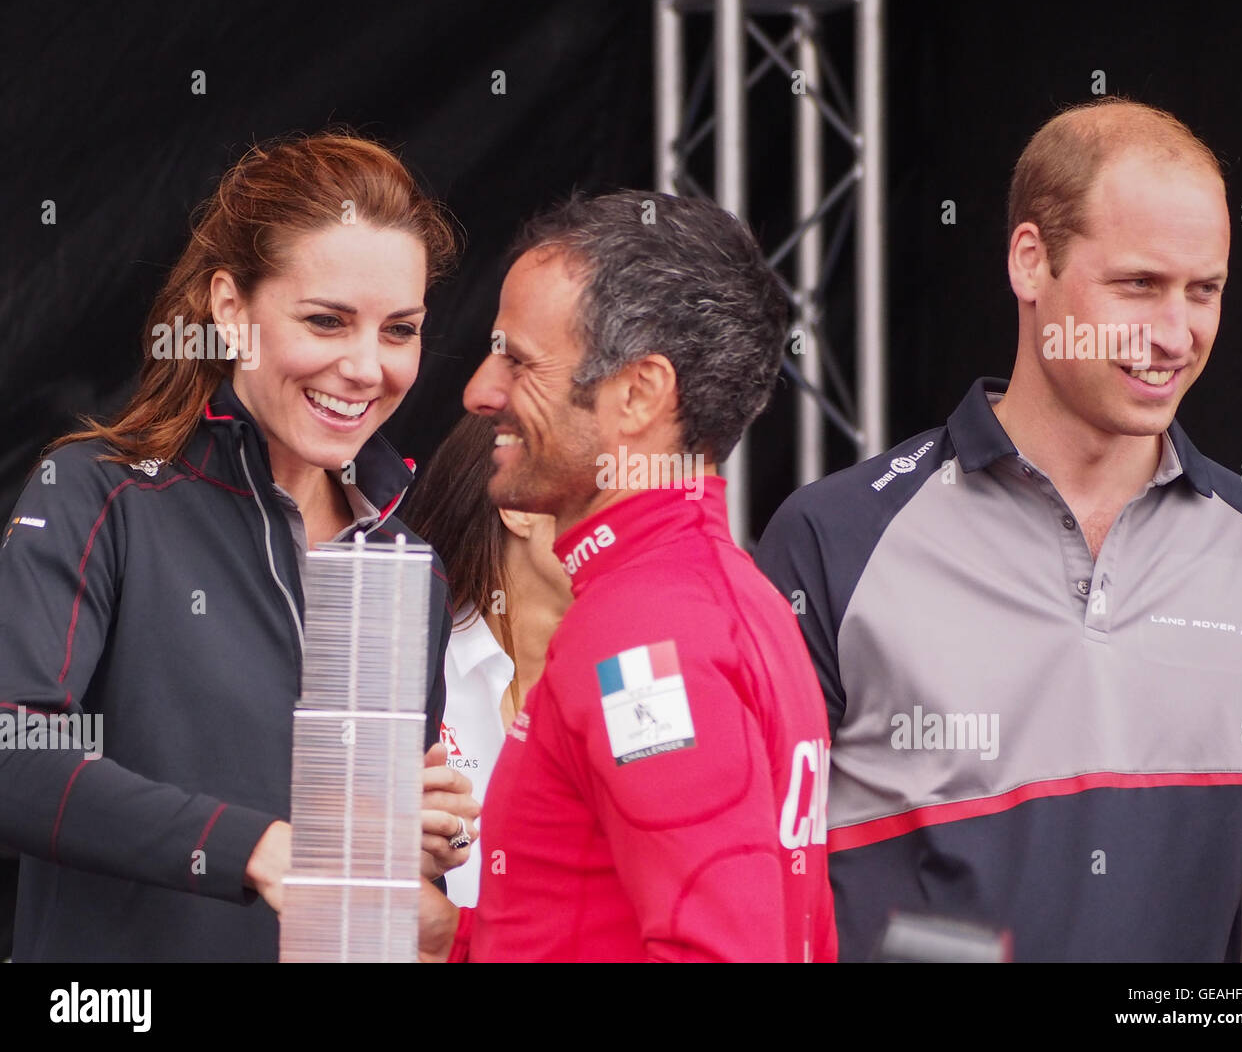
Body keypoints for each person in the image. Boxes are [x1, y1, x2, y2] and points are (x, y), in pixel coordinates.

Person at [755, 97, 1242, 962]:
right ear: (1029, 261)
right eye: (1138, 285)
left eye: (1205, 291)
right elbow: (757, 898)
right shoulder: (834, 537)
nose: (1174, 334)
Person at [0, 132, 465, 961]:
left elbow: (362, 884)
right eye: (326, 321)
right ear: (229, 309)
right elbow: (13, 756)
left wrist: (413, 848)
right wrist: (256, 849)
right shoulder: (97, 494)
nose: (366, 367)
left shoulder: (405, 562)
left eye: (400, 330)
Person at [416, 190, 838, 962]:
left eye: (518, 359)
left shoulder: (642, 630)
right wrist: (456, 938)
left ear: (639, 394)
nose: (481, 390)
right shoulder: (729, 594)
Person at [403, 412, 572, 905]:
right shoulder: (399, 664)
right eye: (602, 495)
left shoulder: (639, 678)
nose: (630, 524)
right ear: (518, 504)